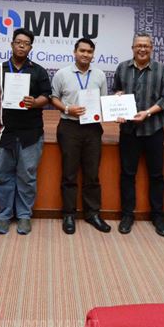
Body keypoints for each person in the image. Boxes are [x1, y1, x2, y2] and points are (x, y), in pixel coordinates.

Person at [0, 27, 52, 235]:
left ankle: (24, 216)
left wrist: (35, 102)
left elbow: (47, 96)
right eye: (18, 42)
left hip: (31, 133)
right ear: (12, 44)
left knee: (27, 177)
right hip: (4, 132)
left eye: (26, 43)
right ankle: (4, 216)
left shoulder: (38, 71)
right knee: (2, 176)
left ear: (30, 48)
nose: (22, 46)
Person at [112, 33, 164, 237]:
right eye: (138, 45)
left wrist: (147, 112)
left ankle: (158, 217)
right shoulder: (122, 68)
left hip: (153, 129)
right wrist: (117, 100)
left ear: (152, 48)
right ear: (132, 48)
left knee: (157, 175)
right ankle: (127, 215)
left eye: (146, 46)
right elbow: (116, 91)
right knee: (127, 174)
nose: (142, 49)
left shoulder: (161, 69)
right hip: (128, 131)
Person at [50, 38, 111, 234]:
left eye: (89, 51)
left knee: (92, 173)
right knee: (69, 173)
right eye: (82, 50)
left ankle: (92, 213)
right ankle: (69, 214)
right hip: (69, 127)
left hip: (92, 128)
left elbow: (103, 101)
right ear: (74, 52)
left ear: (93, 54)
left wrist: (116, 106)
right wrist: (68, 109)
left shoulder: (100, 75)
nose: (85, 54)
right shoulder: (62, 74)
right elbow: (53, 98)